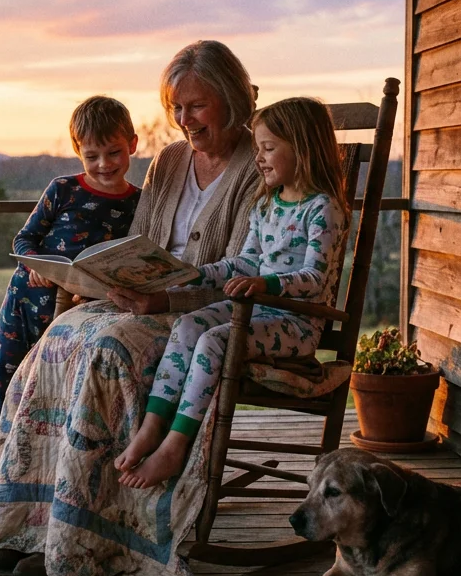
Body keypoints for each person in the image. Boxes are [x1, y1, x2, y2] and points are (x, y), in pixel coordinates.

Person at [0, 40, 265, 576]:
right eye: (175, 108)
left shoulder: (257, 166)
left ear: (229, 97)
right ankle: (33, 522)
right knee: (62, 333)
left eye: (196, 106)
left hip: (198, 310)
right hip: (142, 296)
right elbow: (143, 238)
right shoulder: (171, 160)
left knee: (110, 347)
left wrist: (165, 297)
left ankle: (90, 537)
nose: (183, 121)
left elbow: (239, 265)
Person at [115, 97, 349, 488]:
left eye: (268, 148)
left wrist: (266, 284)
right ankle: (152, 428)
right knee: (189, 327)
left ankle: (175, 446)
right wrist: (194, 274)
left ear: (303, 148)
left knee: (211, 342)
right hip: (257, 314)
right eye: (257, 148)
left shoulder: (323, 209)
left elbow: (315, 279)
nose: (258, 158)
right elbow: (244, 263)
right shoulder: (266, 204)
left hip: (297, 325)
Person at [0, 96, 142, 523]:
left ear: (133, 145)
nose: (104, 163)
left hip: (78, 316)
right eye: (92, 154)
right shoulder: (62, 189)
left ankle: (47, 489)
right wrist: (36, 265)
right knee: (5, 387)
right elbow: (24, 241)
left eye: (114, 152)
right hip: (27, 302)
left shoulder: (139, 202)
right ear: (77, 150)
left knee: (55, 401)